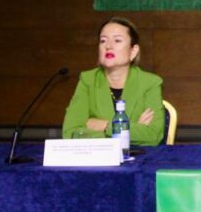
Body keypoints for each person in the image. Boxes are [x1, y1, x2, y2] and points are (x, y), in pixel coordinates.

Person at [62, 16, 164, 145]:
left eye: (117, 40)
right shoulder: (88, 80)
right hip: (96, 161)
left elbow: (153, 135)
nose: (108, 46)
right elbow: (70, 133)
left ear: (133, 51)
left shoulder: (150, 83)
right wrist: (129, 130)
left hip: (137, 160)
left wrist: (105, 126)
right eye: (103, 41)